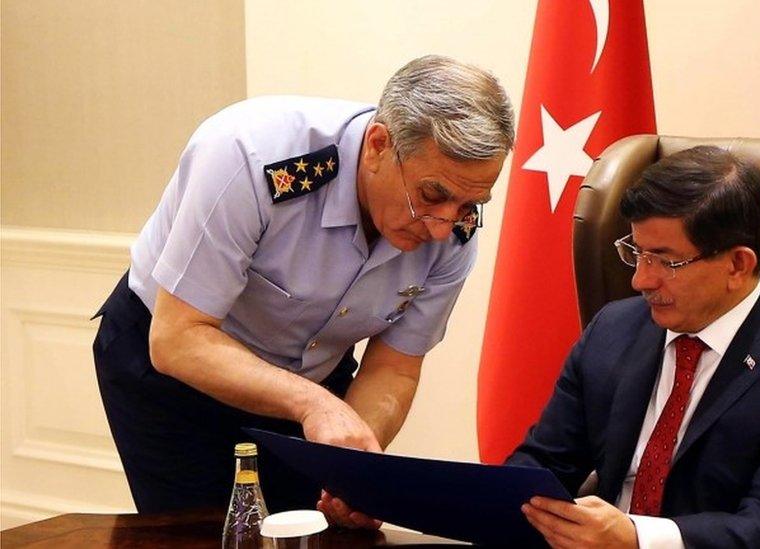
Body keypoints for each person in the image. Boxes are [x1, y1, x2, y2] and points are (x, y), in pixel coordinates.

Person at [92, 55, 515, 517]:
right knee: (205, 534)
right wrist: (316, 406)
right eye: (431, 195)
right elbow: (178, 339)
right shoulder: (249, 155)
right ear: (378, 145)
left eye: (470, 202)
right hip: (172, 373)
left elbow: (393, 369)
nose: (442, 227)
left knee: (312, 530)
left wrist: (353, 468)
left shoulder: (454, 229)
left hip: (310, 380)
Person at [508, 146, 760, 548]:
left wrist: (636, 539)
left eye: (666, 261)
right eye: (637, 253)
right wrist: (480, 502)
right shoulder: (614, 328)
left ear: (738, 265)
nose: (641, 281)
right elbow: (544, 464)